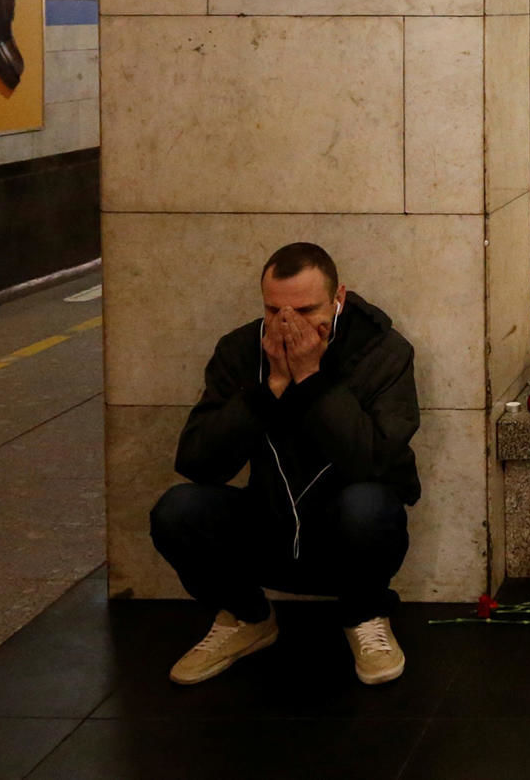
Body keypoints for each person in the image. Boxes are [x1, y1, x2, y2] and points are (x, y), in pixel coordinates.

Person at [149, 242, 421, 687]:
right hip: (268, 523)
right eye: (274, 310)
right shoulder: (241, 349)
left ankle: (364, 614)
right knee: (177, 510)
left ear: (339, 300)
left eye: (305, 309)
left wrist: (312, 380)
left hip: (346, 534)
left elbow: (377, 463)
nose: (287, 323)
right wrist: (269, 389)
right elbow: (198, 461)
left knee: (370, 504)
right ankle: (246, 618)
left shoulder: (383, 352)